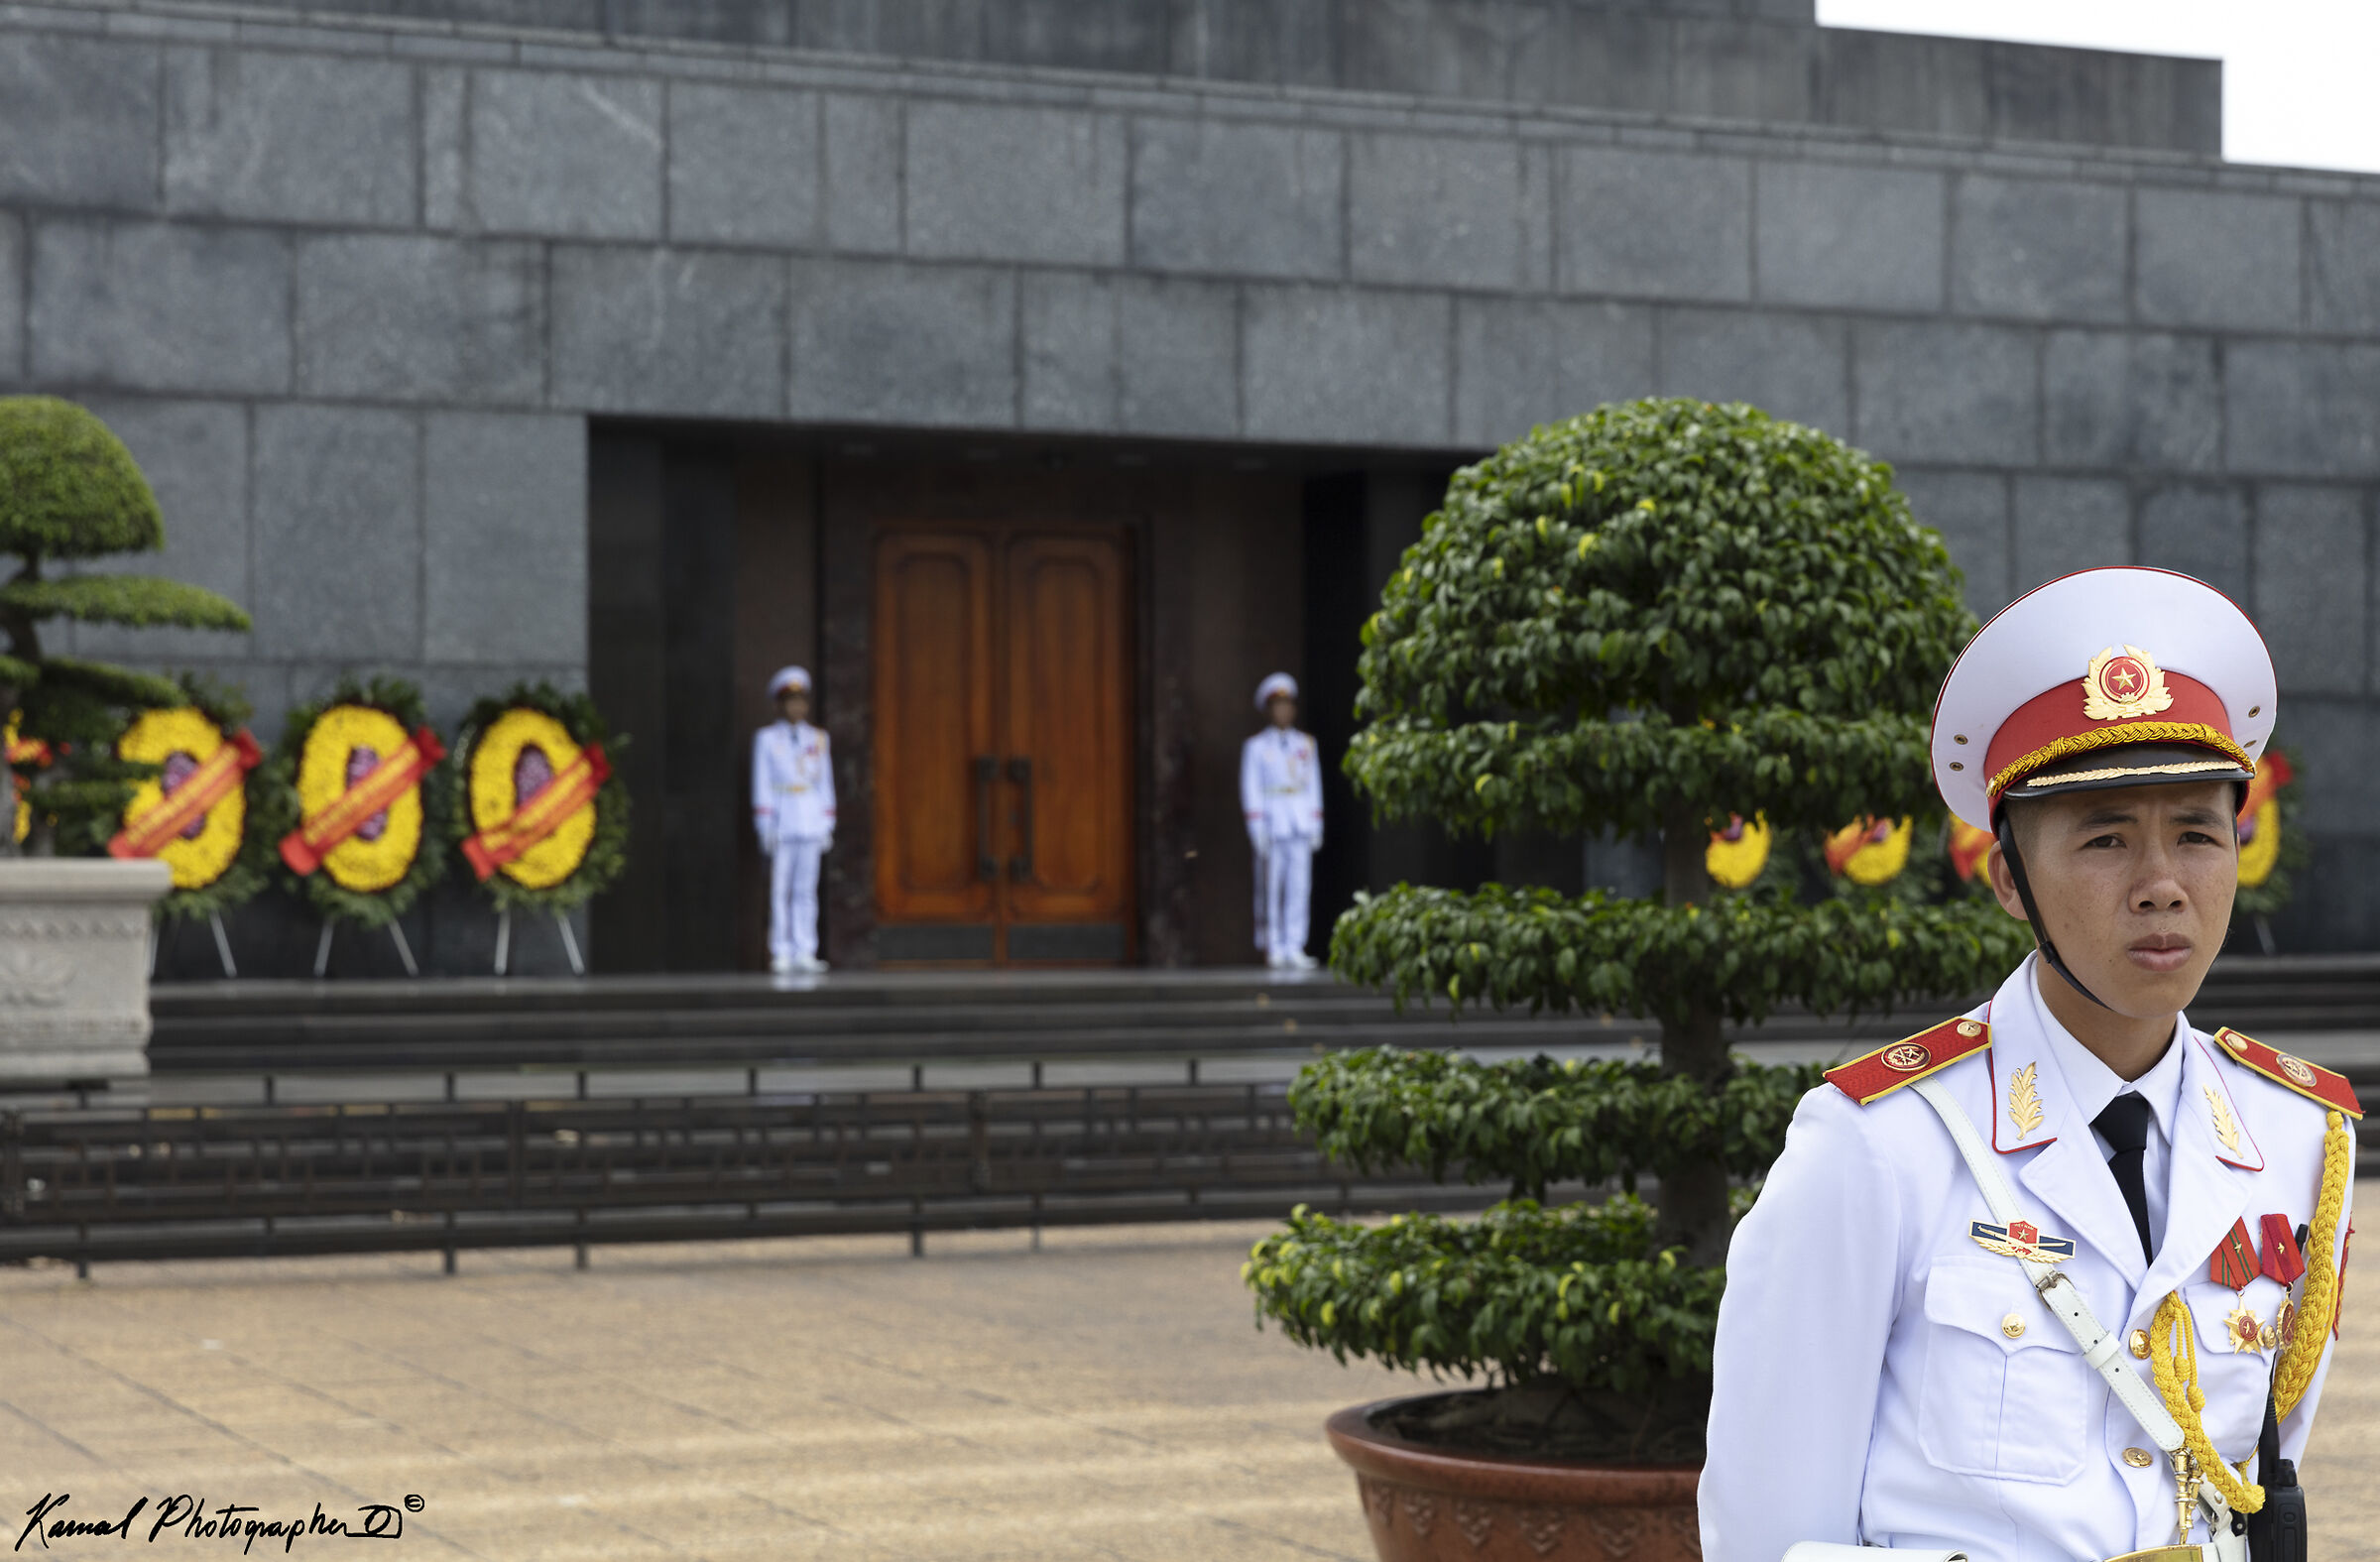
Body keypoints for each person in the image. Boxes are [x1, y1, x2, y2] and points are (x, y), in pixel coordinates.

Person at [1704, 568, 2357, 1562]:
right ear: (2009, 879)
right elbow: (1765, 1535)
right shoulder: (1879, 1146)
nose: (2162, 886)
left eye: (2197, 835)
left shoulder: (2296, 1138)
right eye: (2104, 840)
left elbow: (2252, 1487)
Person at [752, 665, 835, 974]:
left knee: (805, 890)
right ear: (780, 704)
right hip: (783, 817)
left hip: (810, 817)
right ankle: (781, 950)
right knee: (780, 890)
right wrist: (764, 823)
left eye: (801, 701)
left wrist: (827, 821)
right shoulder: (767, 739)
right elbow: (762, 782)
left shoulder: (818, 738)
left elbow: (824, 782)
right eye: (790, 701)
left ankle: (805, 949)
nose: (797, 707)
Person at [1241, 672, 1324, 970]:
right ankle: (1273, 943)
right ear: (1269, 710)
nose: (1283, 711)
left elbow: (1313, 784)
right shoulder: (1257, 747)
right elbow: (1251, 788)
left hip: (1299, 820)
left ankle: (1295, 944)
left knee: (1299, 886)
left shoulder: (1306, 744)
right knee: (1270, 886)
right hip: (1273, 821)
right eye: (1278, 706)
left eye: (1288, 705)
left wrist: (1316, 823)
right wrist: (1256, 826)